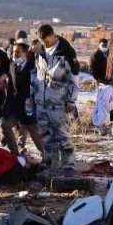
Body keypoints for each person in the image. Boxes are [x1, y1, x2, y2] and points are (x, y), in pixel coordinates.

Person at [33, 24, 79, 172]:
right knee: (46, 136)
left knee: (63, 136)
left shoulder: (66, 53)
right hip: (42, 102)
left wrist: (71, 100)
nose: (44, 44)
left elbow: (74, 79)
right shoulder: (39, 52)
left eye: (46, 41)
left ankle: (68, 167)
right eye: (42, 41)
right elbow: (35, 75)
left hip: (59, 103)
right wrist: (32, 96)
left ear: (53, 36)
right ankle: (50, 165)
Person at [2, 40, 45, 159]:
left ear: (25, 54)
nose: (14, 54)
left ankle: (47, 156)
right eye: (13, 52)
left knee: (34, 131)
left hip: (29, 104)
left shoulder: (34, 67)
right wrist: (7, 106)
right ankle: (15, 154)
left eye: (18, 52)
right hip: (15, 104)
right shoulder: (12, 65)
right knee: (5, 124)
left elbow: (39, 87)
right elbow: (11, 87)